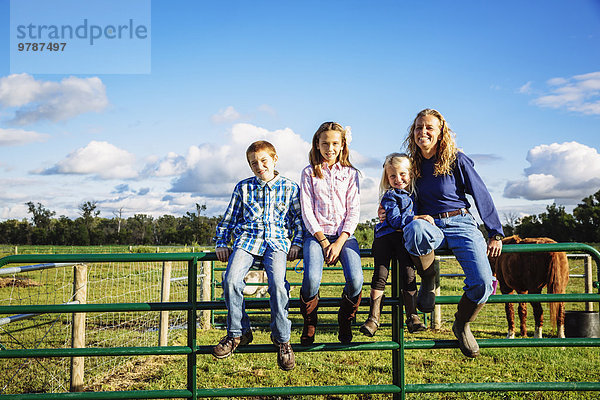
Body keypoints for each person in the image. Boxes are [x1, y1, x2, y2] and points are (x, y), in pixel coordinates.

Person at [401, 108, 503, 358]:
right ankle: (428, 280)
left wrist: (495, 231)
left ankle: (462, 324)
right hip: (429, 224)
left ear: (440, 132)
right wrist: (389, 211)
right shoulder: (410, 164)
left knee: (482, 283)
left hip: (460, 222)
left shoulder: (456, 159)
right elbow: (402, 195)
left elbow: (480, 193)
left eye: (429, 127)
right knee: (414, 230)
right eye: (418, 127)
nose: (422, 132)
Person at [212, 140, 303, 371]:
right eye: (254, 163)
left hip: (277, 242)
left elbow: (298, 221)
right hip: (247, 241)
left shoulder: (290, 187)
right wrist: (222, 243)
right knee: (230, 280)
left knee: (278, 286)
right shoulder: (243, 188)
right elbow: (229, 219)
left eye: (264, 160)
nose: (259, 166)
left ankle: (282, 339)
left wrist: (297, 244)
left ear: (274, 159)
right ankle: (238, 332)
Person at [299, 122, 362, 344]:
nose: (330, 148)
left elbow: (353, 210)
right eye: (325, 143)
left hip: (344, 236)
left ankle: (345, 319)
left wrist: (340, 241)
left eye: (335, 143)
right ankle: (310, 321)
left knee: (356, 280)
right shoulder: (309, 173)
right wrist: (324, 241)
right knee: (312, 278)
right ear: (317, 144)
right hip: (317, 236)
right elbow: (306, 210)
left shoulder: (350, 173)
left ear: (342, 144)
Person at [360, 153, 429, 337]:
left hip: (403, 240)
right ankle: (373, 318)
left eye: (402, 174)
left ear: (411, 173)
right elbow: (396, 220)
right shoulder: (389, 196)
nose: (398, 179)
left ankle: (412, 316)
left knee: (408, 273)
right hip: (386, 238)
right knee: (381, 274)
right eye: (392, 176)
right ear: (387, 178)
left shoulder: (415, 195)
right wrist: (416, 218)